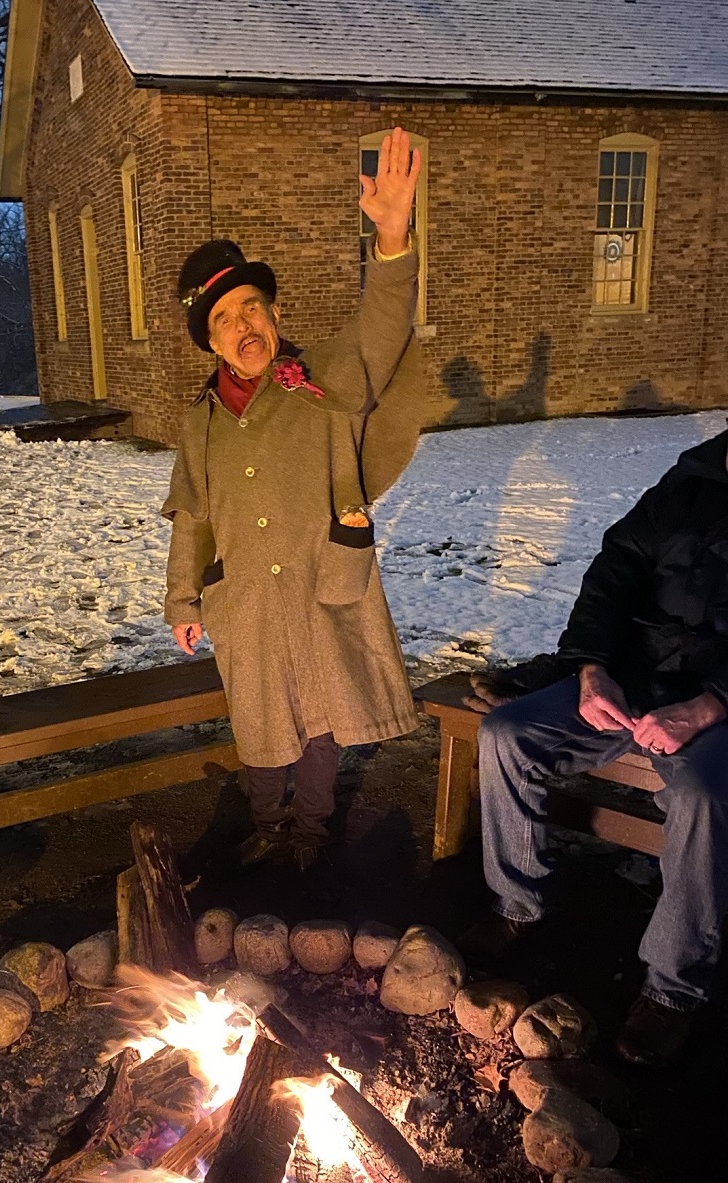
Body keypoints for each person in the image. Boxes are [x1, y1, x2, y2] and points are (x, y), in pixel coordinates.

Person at [161, 128, 428, 882]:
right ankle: (266, 828)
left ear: (272, 313)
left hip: (321, 580)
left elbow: (382, 328)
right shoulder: (200, 419)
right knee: (262, 716)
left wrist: (393, 236)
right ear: (210, 343)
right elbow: (193, 513)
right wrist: (184, 594)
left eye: (249, 308)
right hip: (243, 595)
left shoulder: (326, 383)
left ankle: (311, 836)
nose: (241, 326)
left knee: (321, 718)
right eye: (222, 320)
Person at [464, 427, 728, 1065]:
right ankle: (521, 904)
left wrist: (706, 705)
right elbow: (617, 568)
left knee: (702, 797)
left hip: (719, 701)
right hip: (636, 674)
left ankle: (673, 989)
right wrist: (591, 667)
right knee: (508, 735)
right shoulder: (692, 480)